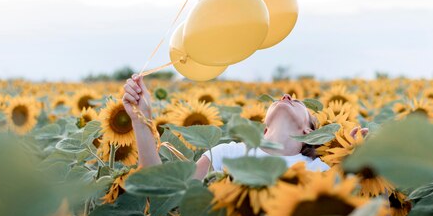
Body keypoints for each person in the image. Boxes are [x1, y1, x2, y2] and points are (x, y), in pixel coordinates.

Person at [122, 73, 367, 180]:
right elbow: (159, 192)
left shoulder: (322, 170)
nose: (286, 96)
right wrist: (141, 119)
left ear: (309, 132)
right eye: (279, 99)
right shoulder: (227, 154)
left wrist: (359, 162)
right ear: (263, 129)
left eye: (298, 101)